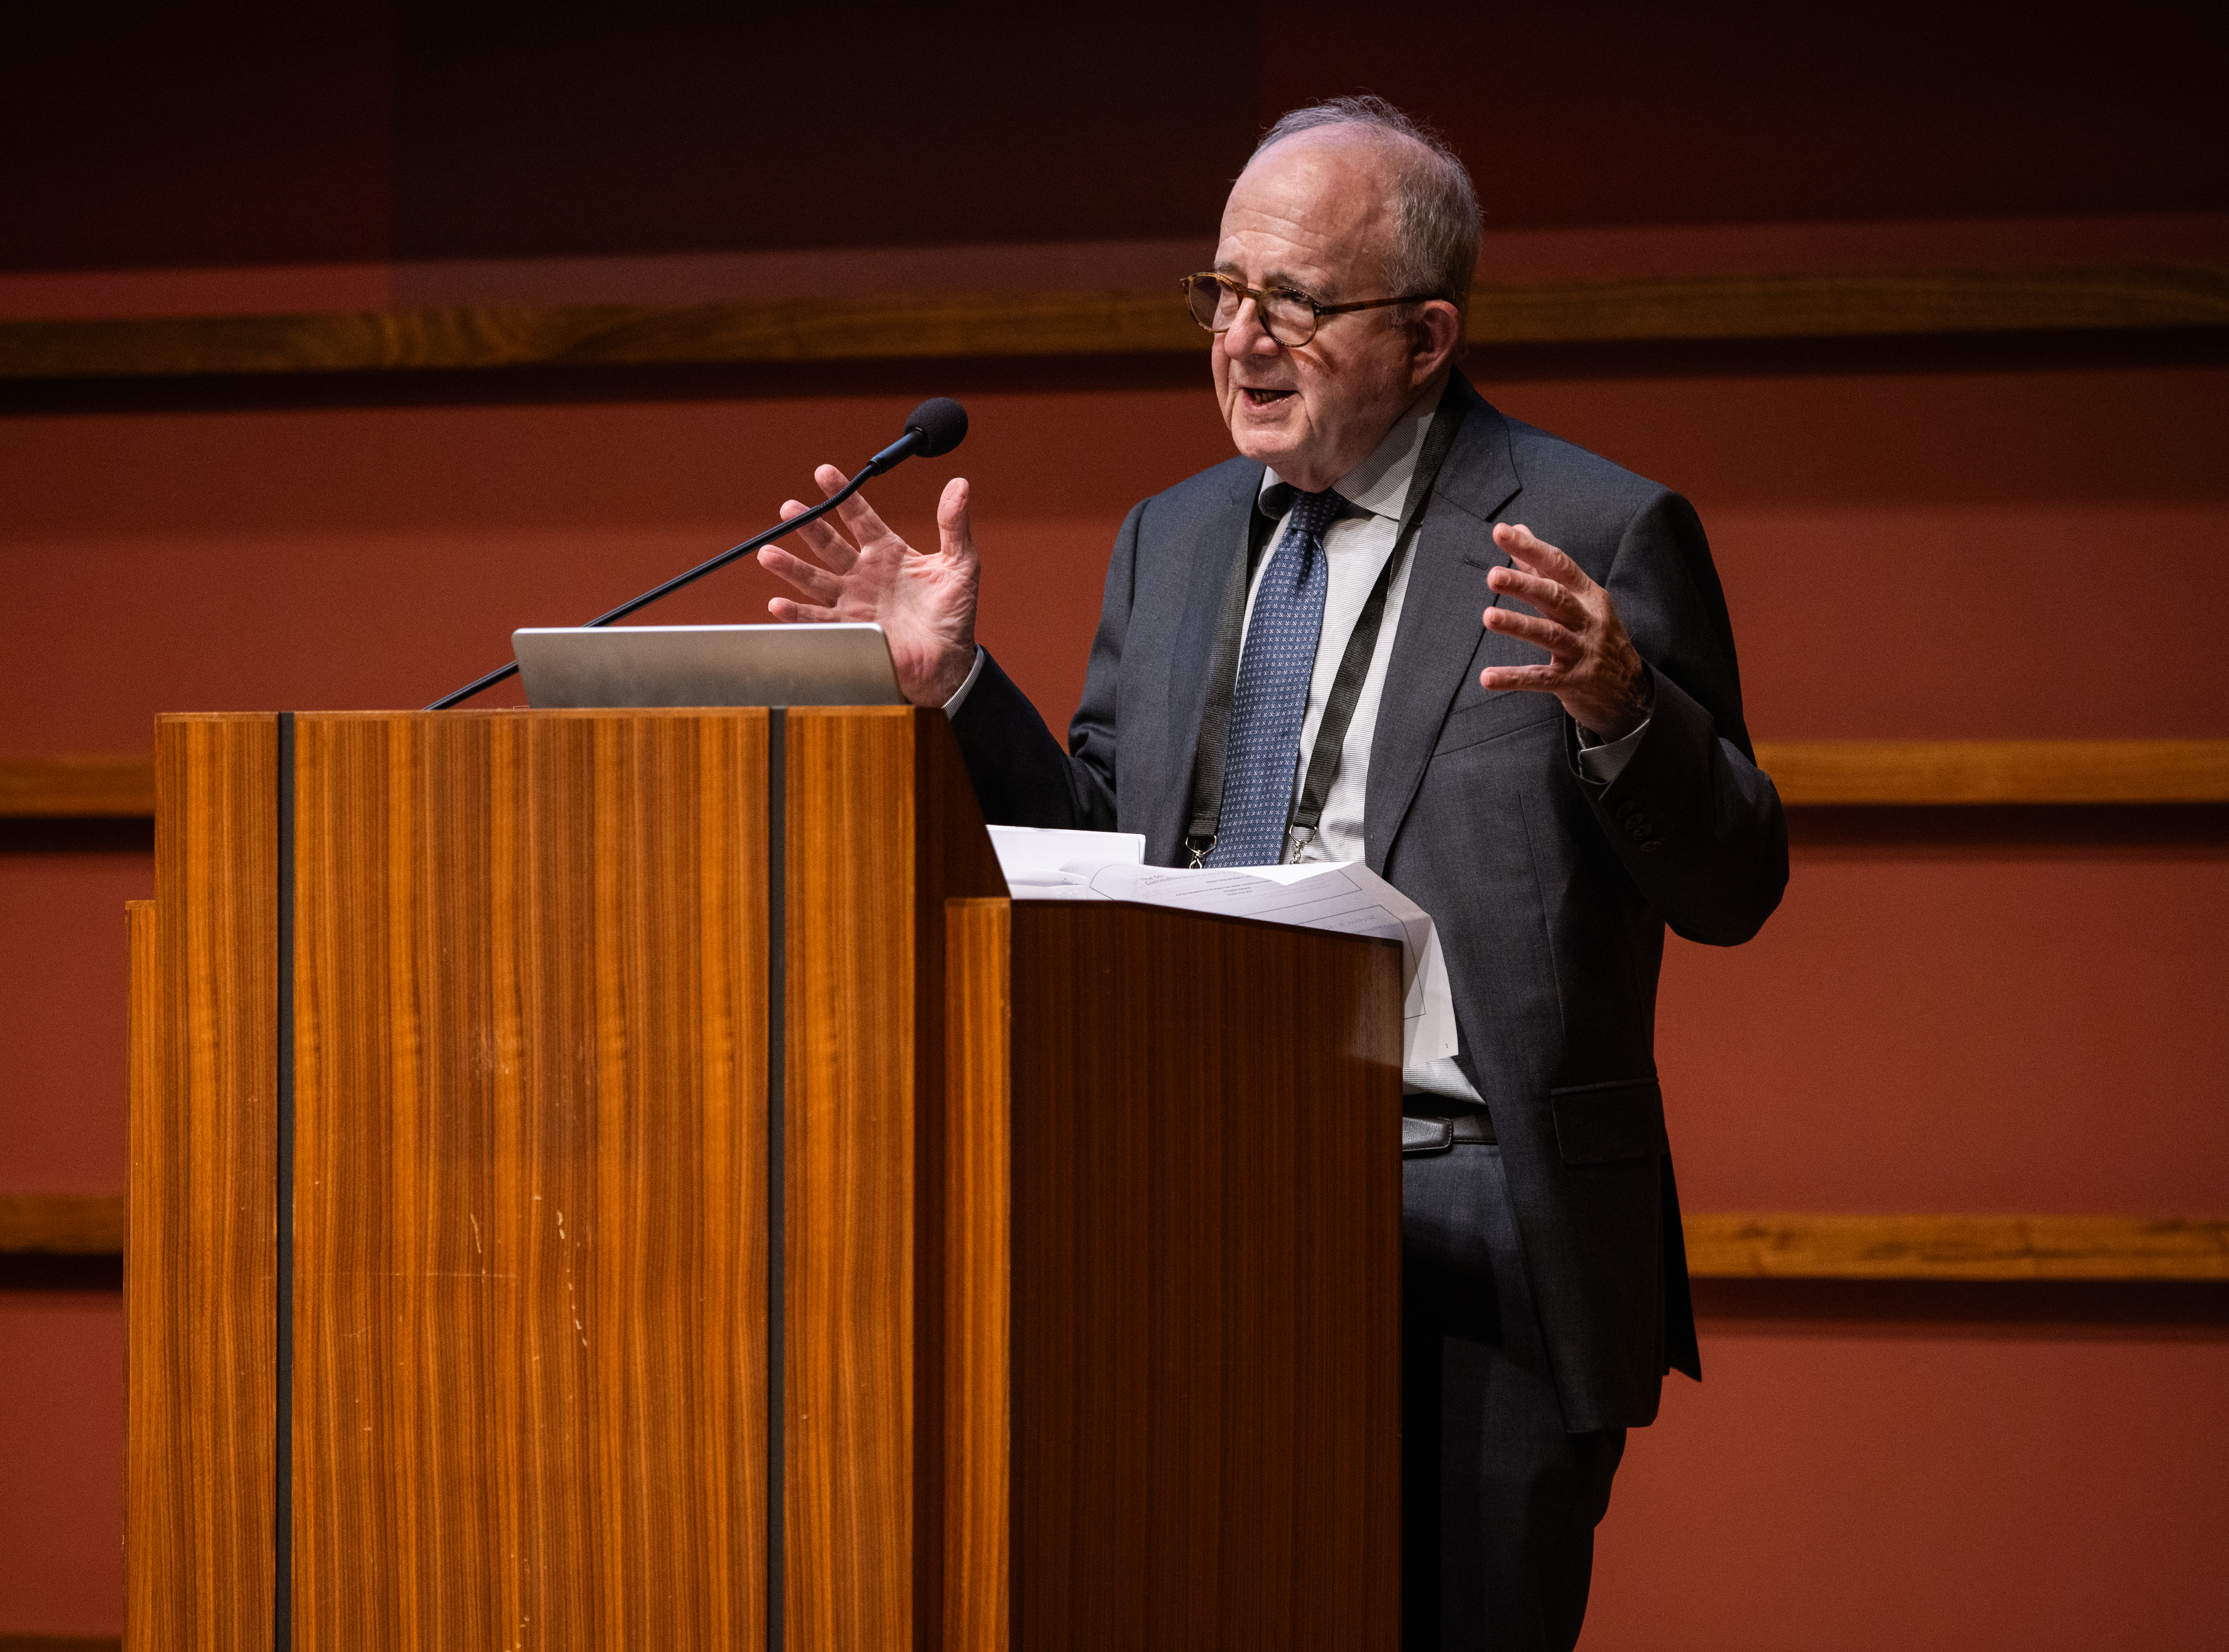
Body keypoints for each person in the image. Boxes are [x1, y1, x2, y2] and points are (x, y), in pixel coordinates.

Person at [757, 95, 1787, 1651]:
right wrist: (958, 689)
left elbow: (1735, 882)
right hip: (1189, 1179)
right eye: (1222, 294)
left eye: (1293, 302)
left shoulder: (1590, 526)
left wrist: (1625, 708)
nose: (1241, 337)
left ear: (1427, 337)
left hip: (1470, 1197)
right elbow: (1105, 839)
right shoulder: (1170, 539)